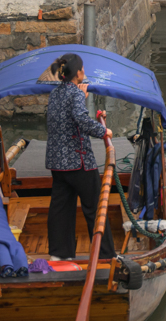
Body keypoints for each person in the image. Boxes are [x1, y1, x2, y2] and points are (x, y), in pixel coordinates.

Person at [45, 53, 116, 259]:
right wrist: (104, 131)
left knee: (60, 208)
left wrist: (80, 98)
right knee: (95, 208)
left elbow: (65, 118)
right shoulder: (75, 94)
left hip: (57, 163)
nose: (84, 72)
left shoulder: (55, 94)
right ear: (78, 73)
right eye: (83, 69)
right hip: (79, 162)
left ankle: (60, 254)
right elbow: (81, 120)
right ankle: (105, 255)